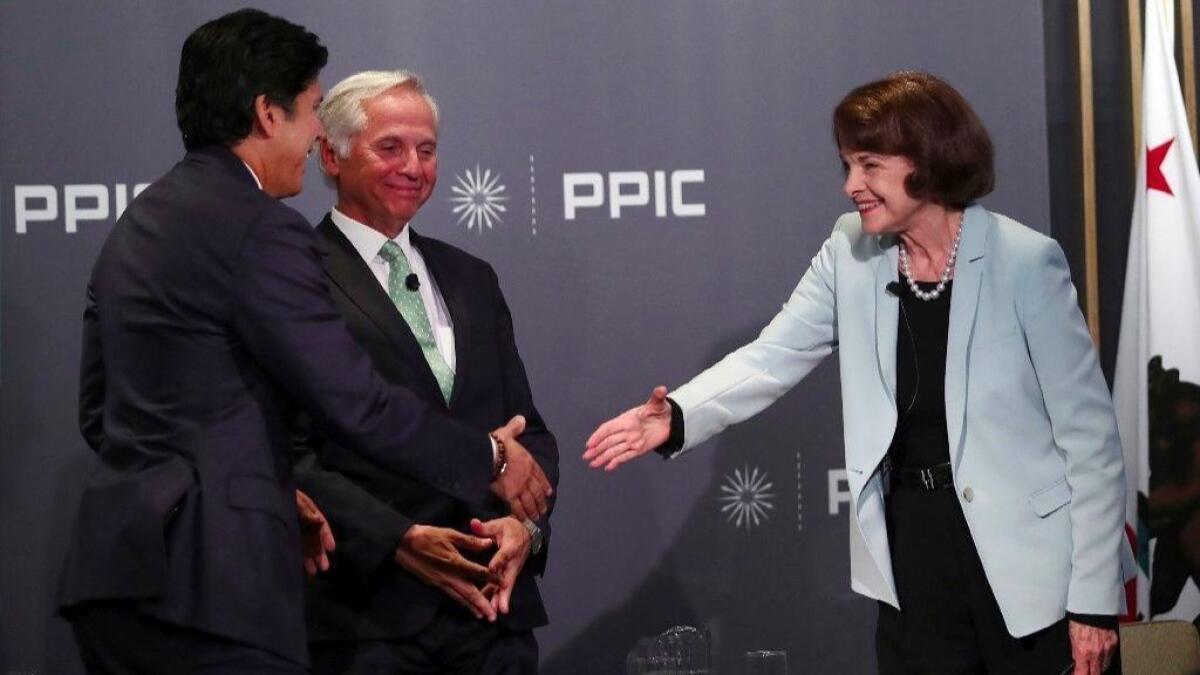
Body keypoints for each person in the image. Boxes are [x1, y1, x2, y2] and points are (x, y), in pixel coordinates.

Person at [584, 71, 1134, 675]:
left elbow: (1091, 444)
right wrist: (680, 414)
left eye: (869, 164)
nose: (852, 186)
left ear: (925, 158)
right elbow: (774, 355)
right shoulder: (850, 252)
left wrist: (1093, 604)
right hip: (911, 555)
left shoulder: (1025, 262)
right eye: (848, 165)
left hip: (1031, 571)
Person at [57, 10, 550, 673]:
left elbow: (101, 412)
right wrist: (490, 456)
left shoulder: (139, 223)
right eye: (313, 108)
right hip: (217, 589)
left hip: (121, 580)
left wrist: (265, 485)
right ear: (268, 113)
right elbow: (356, 403)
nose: (318, 130)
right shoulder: (263, 229)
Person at [290, 70, 557, 674]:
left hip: (494, 619)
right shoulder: (292, 276)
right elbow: (286, 451)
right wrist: (397, 540)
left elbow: (526, 433)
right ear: (330, 156)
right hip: (366, 624)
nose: (414, 166)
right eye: (391, 148)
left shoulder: (472, 278)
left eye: (427, 150)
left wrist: (523, 529)